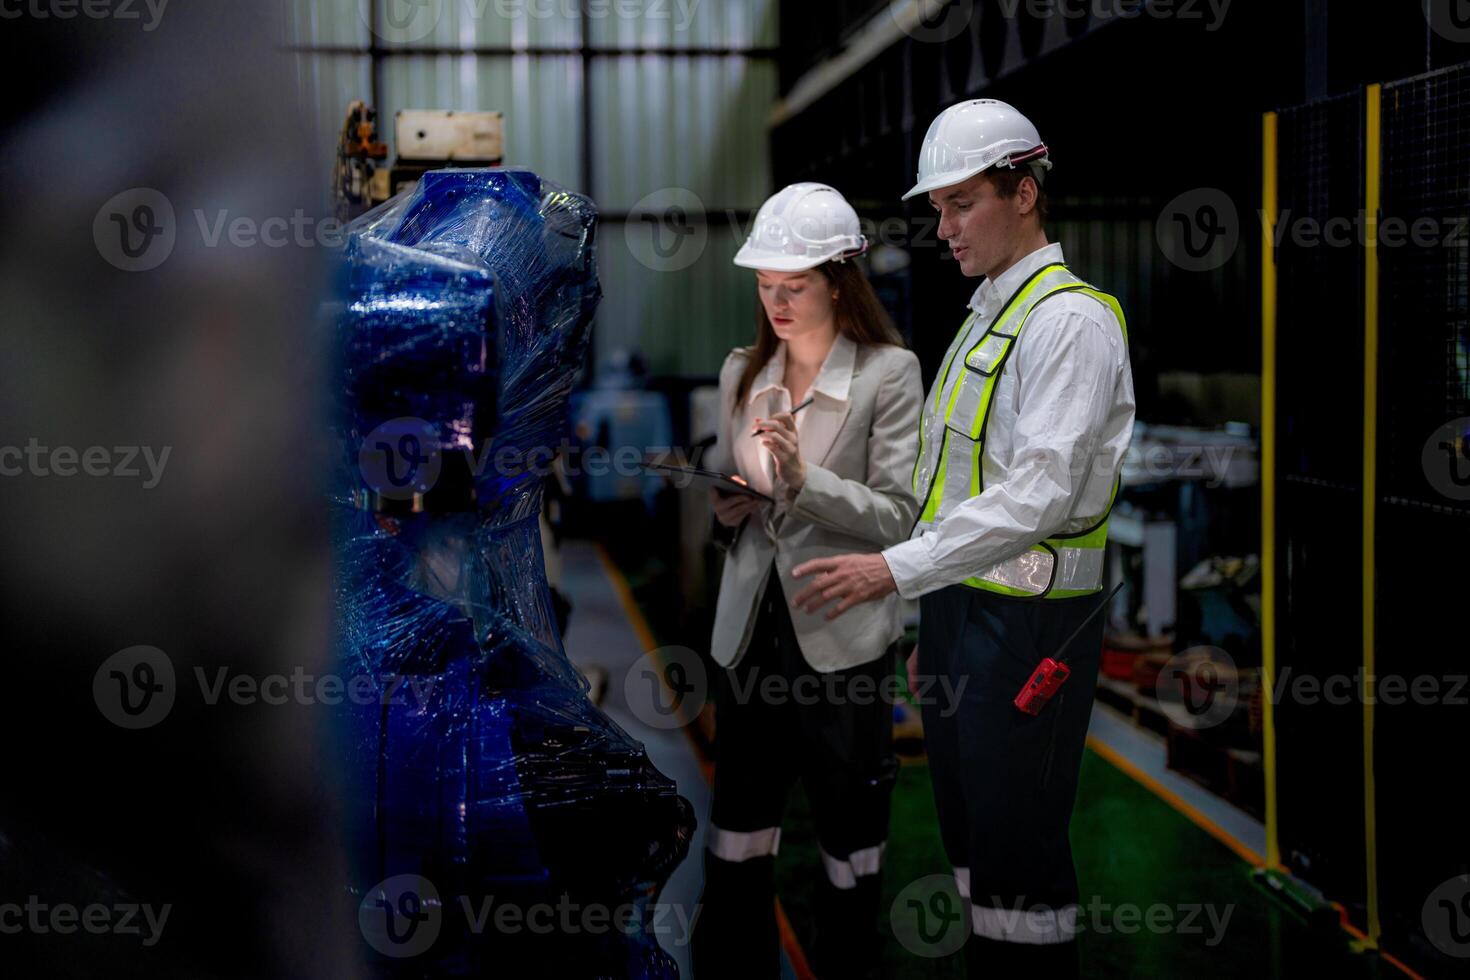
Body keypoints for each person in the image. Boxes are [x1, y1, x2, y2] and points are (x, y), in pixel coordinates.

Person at [790, 100, 1136, 978]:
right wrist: (933, 621)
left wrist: (895, 573)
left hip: (1030, 629)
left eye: (961, 204)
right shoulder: (988, 315)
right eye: (937, 208)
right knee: (976, 844)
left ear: (1024, 191)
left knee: (1020, 863)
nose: (942, 228)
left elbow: (1038, 495)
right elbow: (955, 490)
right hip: (966, 622)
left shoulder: (1068, 323)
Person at [690, 182, 922, 979]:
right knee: (739, 829)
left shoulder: (890, 375)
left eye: (793, 285)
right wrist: (729, 505)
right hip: (751, 634)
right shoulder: (742, 370)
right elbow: (740, 494)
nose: (776, 300)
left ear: (838, 279)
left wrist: (800, 478)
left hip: (840, 640)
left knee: (849, 838)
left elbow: (899, 517)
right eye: (764, 284)